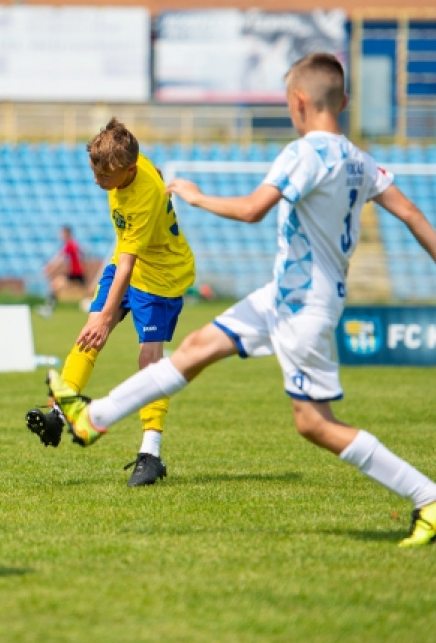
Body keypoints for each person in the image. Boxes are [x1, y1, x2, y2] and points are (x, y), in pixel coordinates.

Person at [47, 52, 436, 547]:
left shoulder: (304, 153)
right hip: (283, 295)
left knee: (314, 424)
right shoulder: (359, 159)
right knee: (193, 351)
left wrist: (195, 195)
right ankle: (90, 419)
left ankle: (427, 495)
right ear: (344, 101)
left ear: (299, 102)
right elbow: (411, 212)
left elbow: (253, 210)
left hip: (303, 307)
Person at [27, 118, 196, 487]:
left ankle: (151, 454)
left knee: (149, 360)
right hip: (126, 263)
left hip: (162, 276)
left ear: (130, 170)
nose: (97, 180)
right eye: (94, 170)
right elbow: (125, 262)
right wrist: (99, 318)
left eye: (105, 175)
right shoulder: (125, 161)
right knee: (89, 331)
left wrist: (106, 317)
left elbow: (130, 266)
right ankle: (58, 412)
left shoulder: (143, 196)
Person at [38, 225, 86, 316]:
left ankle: (48, 309)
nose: (60, 235)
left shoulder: (70, 245)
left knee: (55, 285)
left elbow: (60, 259)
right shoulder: (73, 244)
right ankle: (48, 309)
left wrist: (49, 269)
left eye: (62, 233)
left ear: (67, 233)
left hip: (76, 274)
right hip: (75, 273)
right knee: (55, 285)